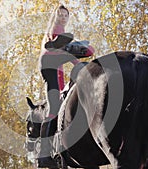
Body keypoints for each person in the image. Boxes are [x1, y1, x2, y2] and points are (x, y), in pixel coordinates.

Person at [38, 4, 94, 168]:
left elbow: (65, 59)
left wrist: (81, 64)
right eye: (60, 15)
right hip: (48, 63)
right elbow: (62, 55)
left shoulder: (62, 32)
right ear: (55, 17)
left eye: (65, 15)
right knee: (54, 108)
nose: (63, 17)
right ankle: (43, 154)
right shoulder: (54, 30)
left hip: (56, 67)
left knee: (60, 103)